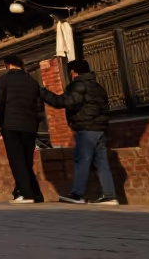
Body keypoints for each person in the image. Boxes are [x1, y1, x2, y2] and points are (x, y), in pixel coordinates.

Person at [40, 59, 118, 205]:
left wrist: (44, 94)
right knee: (101, 162)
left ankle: (78, 194)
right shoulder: (97, 86)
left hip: (86, 128)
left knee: (82, 160)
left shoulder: (78, 86)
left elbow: (64, 102)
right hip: (100, 128)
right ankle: (110, 195)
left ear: (74, 72)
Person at [0, 55, 45, 204]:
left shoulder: (3, 81)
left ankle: (26, 194)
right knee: (26, 159)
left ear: (8, 65)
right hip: (30, 125)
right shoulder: (32, 81)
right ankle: (34, 193)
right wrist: (36, 121)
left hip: (11, 124)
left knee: (17, 160)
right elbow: (39, 106)